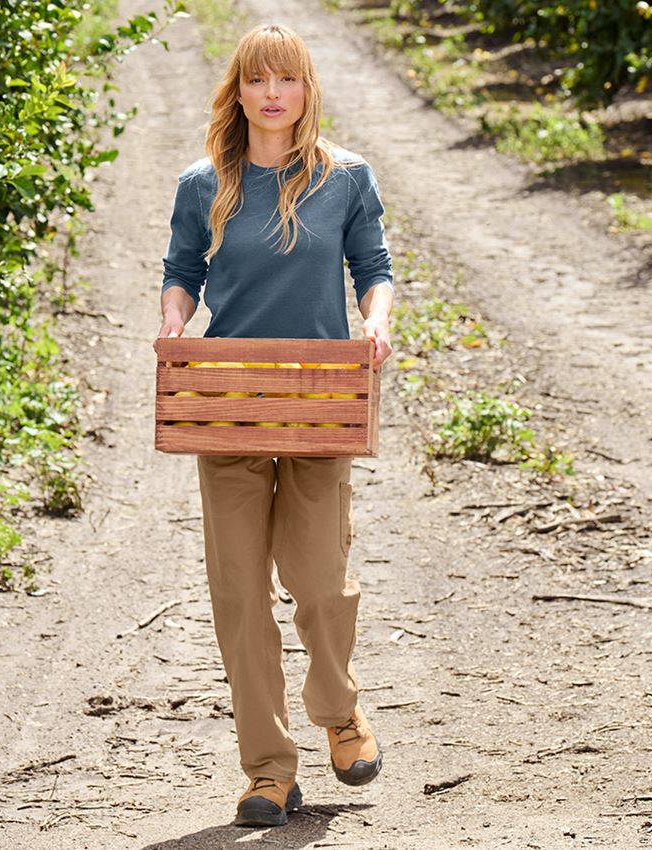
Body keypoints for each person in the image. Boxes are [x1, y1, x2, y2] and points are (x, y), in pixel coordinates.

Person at [157, 23, 394, 828]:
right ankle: (267, 770)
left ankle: (340, 712)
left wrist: (377, 323)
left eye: (284, 79)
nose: (270, 93)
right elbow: (182, 272)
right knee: (237, 594)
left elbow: (375, 266)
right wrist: (173, 324)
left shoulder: (345, 177)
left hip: (323, 394)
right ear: (239, 91)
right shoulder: (204, 183)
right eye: (256, 79)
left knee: (319, 578)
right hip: (229, 400)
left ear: (304, 90)